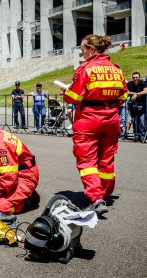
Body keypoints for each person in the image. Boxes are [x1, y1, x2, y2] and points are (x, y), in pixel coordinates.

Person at [62, 34, 127, 215]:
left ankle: (96, 198)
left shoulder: (86, 69)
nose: (81, 53)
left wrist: (65, 91)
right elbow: (123, 96)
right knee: (106, 158)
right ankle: (104, 194)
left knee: (87, 160)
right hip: (111, 118)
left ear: (91, 49)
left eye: (82, 49)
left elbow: (73, 97)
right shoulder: (116, 69)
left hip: (89, 119)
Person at [126, 72, 147, 143]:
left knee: (142, 121)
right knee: (134, 121)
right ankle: (136, 135)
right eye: (134, 77)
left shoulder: (144, 83)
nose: (135, 79)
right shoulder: (129, 83)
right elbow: (126, 91)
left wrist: (136, 94)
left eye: (136, 77)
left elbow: (146, 91)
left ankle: (142, 136)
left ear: (139, 77)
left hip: (142, 105)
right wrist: (135, 94)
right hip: (132, 105)